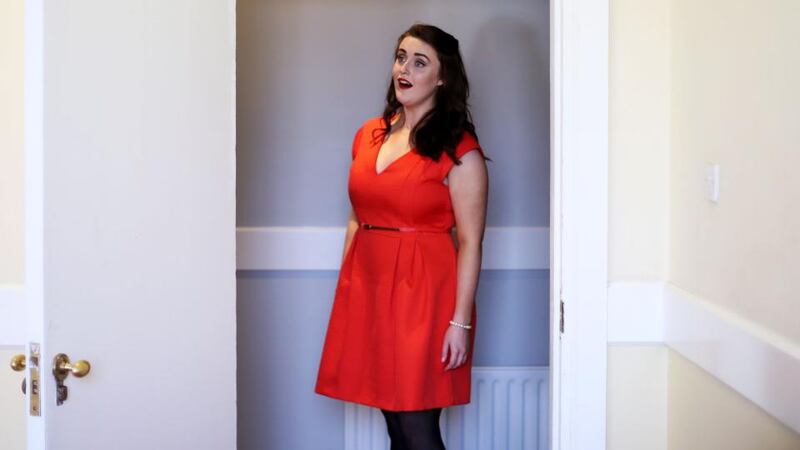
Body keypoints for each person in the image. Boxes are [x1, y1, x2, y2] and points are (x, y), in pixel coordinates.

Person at [314, 23, 490, 450]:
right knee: (393, 422)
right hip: (369, 288)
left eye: (420, 62)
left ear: (442, 77)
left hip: (424, 295)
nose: (404, 70)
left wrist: (459, 323)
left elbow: (470, 241)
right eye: (400, 58)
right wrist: (347, 285)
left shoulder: (459, 150)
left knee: (416, 427)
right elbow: (357, 216)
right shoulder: (369, 134)